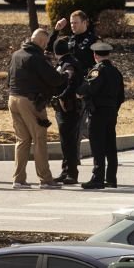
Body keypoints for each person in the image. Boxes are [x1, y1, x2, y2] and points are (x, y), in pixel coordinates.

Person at [7, 28, 66, 190]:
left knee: (22, 140)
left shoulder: (16, 54)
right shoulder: (36, 58)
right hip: (31, 102)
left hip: (13, 99)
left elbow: (8, 78)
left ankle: (18, 180)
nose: (46, 46)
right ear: (41, 42)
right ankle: (45, 179)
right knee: (39, 139)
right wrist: (66, 75)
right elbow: (54, 79)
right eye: (45, 43)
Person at [50, 11, 97, 184]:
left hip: (80, 90)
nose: (73, 25)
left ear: (85, 22)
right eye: (71, 23)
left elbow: (94, 67)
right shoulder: (68, 41)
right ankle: (67, 168)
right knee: (66, 134)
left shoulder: (92, 41)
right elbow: (51, 48)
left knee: (73, 132)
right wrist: (56, 31)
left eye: (76, 22)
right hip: (66, 90)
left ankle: (72, 169)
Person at [77, 42, 125, 190]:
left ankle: (97, 178)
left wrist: (80, 92)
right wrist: (113, 108)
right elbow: (121, 96)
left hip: (98, 112)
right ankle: (111, 178)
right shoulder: (116, 72)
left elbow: (89, 88)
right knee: (110, 145)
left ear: (95, 55)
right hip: (111, 112)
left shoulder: (97, 70)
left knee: (97, 145)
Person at [51, 38, 84, 184]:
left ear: (56, 52)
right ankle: (66, 171)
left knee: (69, 141)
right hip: (65, 107)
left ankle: (72, 173)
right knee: (65, 141)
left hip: (69, 107)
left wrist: (61, 97)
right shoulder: (66, 62)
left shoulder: (68, 64)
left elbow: (71, 84)